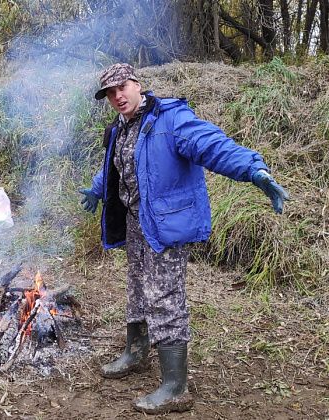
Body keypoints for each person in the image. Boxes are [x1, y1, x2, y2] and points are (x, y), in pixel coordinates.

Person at [79, 63, 289, 414]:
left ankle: (175, 388)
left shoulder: (172, 120)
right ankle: (136, 352)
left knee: (164, 296)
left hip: (166, 225)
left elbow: (212, 145)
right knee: (136, 288)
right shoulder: (120, 127)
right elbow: (117, 166)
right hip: (136, 221)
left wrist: (254, 170)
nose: (117, 96)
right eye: (109, 93)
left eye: (122, 88)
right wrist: (97, 188)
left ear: (137, 84)